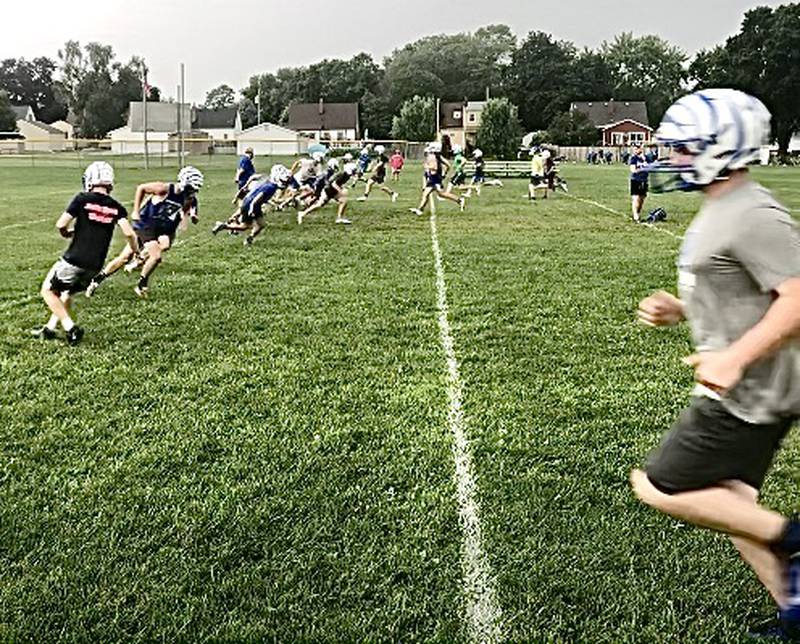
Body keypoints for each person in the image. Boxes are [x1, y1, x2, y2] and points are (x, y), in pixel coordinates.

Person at [631, 88, 800, 642]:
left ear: (719, 148)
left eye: (681, 149)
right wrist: (681, 309)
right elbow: (742, 289)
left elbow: (797, 298)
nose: (671, 159)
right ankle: (795, 608)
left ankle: (792, 536)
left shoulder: (752, 214)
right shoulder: (724, 207)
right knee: (730, 502)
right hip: (750, 383)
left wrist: (733, 357)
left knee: (659, 486)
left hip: (749, 388)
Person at [33, 162, 137, 345]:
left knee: (48, 290)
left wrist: (66, 233)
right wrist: (135, 251)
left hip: (74, 259)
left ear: (90, 180)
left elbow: (61, 224)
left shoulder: (82, 199)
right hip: (95, 265)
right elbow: (129, 233)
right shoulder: (117, 207)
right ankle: (49, 329)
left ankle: (70, 328)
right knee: (66, 293)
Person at [86, 166, 203, 298]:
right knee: (153, 256)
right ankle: (141, 284)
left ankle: (98, 280)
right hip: (146, 224)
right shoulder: (164, 188)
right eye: (191, 188)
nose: (192, 192)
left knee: (128, 256)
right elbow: (141, 188)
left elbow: (187, 207)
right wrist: (136, 210)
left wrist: (186, 218)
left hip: (161, 227)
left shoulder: (188, 197)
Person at [212, 165, 290, 245]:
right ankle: (223, 226)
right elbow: (258, 197)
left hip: (252, 203)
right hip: (250, 204)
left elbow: (261, 196)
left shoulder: (268, 182)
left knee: (261, 224)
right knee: (244, 226)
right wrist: (251, 208)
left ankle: (250, 238)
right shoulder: (271, 187)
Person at [409, 142, 465, 215]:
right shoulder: (438, 156)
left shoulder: (432, 156)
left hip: (434, 179)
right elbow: (448, 165)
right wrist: (444, 174)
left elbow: (434, 168)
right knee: (428, 194)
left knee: (440, 194)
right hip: (435, 178)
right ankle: (420, 210)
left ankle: (460, 200)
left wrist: (427, 166)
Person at [629, 145, 648, 222]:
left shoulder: (646, 158)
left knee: (642, 199)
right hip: (636, 180)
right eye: (635, 149)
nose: (636, 150)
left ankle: (638, 213)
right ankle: (635, 215)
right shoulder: (634, 158)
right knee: (636, 198)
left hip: (644, 180)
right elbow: (633, 170)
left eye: (638, 148)